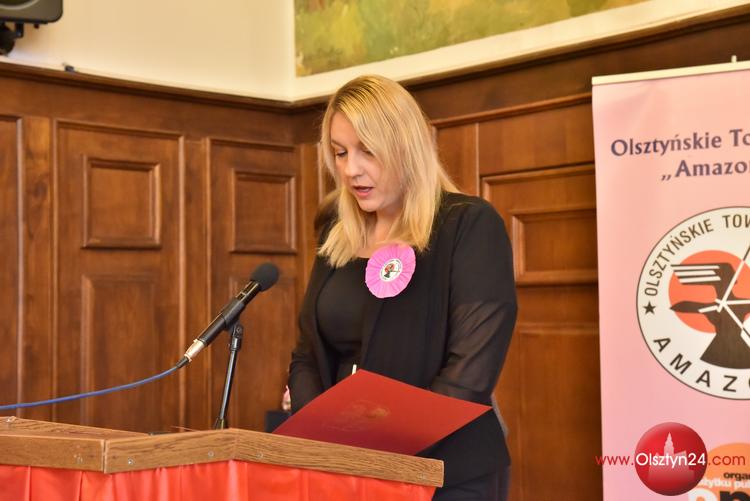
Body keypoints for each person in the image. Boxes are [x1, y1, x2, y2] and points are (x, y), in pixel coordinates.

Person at [288, 75, 517, 500]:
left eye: (368, 150)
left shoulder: (469, 225)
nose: (351, 169)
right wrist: (318, 441)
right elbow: (307, 353)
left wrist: (379, 454)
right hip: (343, 470)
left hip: (445, 473)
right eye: (340, 152)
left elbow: (469, 373)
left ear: (405, 146)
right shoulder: (336, 231)